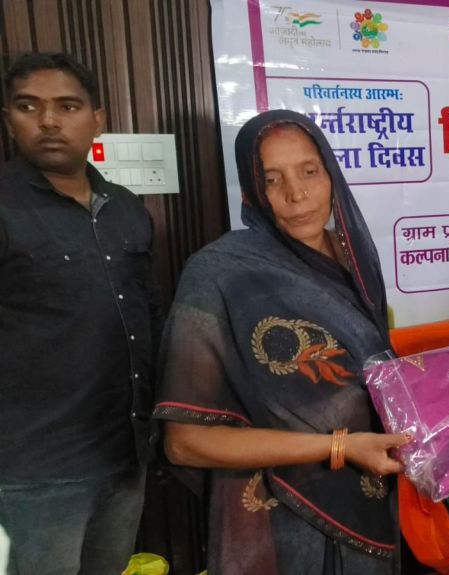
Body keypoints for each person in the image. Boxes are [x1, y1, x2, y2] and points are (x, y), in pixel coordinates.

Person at [153, 110, 408, 574]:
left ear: (331, 175)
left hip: (369, 495)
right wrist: (339, 447)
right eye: (272, 179)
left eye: (309, 172)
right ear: (251, 192)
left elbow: (370, 373)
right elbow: (185, 444)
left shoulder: (353, 256)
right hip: (277, 522)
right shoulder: (219, 274)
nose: (296, 194)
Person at [0, 53, 157, 574]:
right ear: (9, 119)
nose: (48, 121)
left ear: (97, 119)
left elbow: (147, 316)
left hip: (124, 453)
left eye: (67, 106)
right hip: (35, 472)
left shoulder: (126, 207)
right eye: (29, 106)